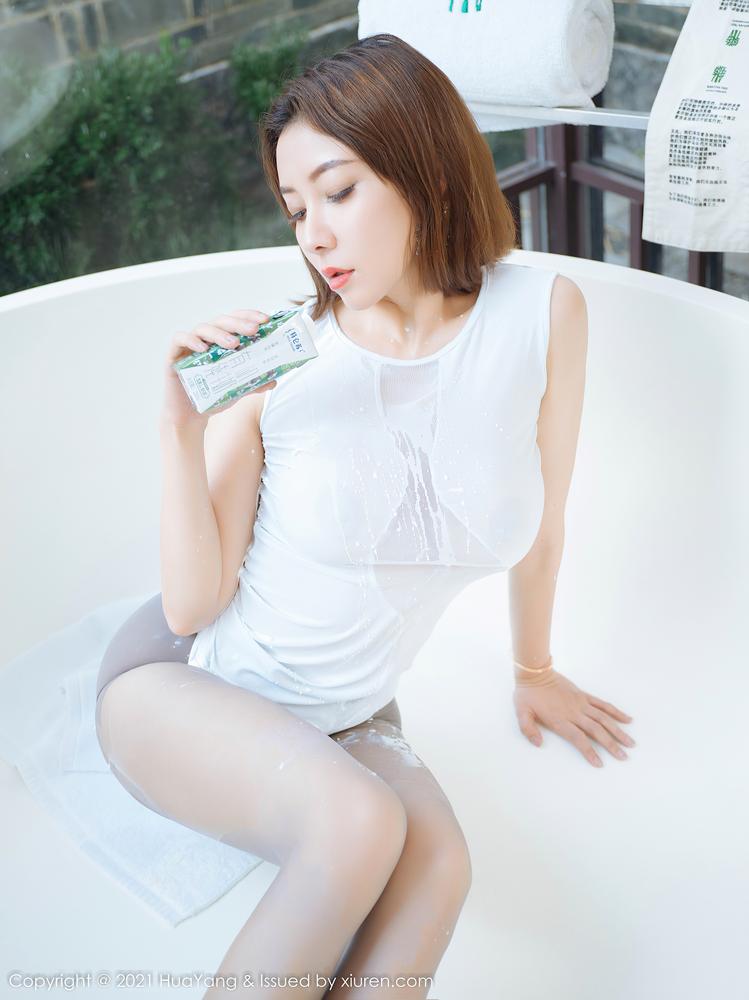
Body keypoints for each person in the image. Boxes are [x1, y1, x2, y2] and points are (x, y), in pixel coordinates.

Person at [94, 32, 634, 1000]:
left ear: (426, 169)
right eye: (296, 208)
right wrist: (178, 429)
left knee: (440, 868)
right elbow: (190, 606)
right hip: (190, 683)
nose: (314, 234)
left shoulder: (541, 312)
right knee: (357, 824)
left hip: (349, 714)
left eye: (337, 192)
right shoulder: (283, 357)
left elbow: (543, 525)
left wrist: (534, 669)